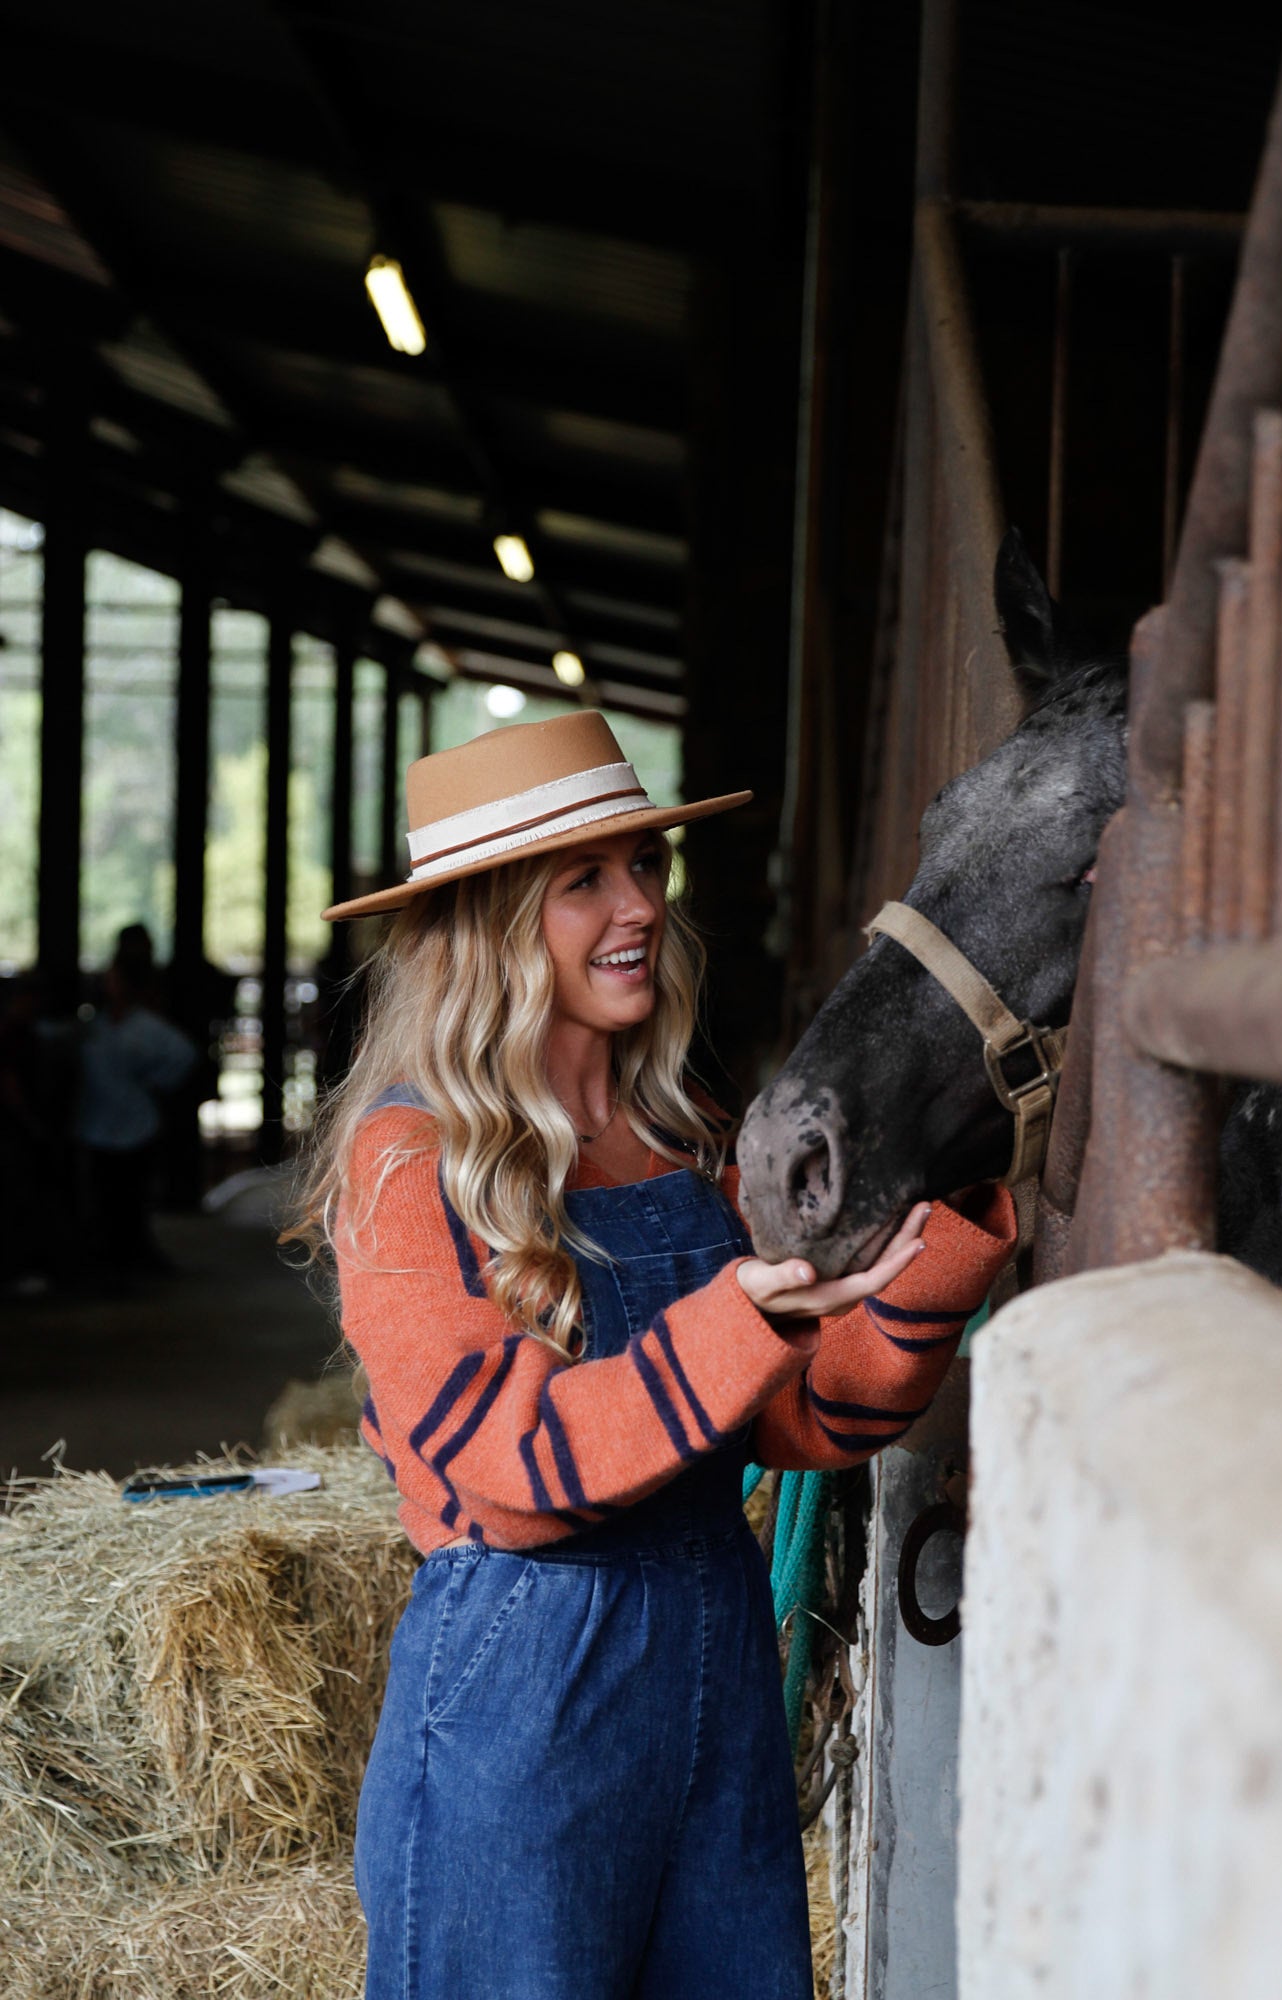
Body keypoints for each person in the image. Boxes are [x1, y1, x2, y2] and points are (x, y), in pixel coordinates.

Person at [295, 711, 1015, 2000]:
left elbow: (802, 1425)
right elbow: (512, 1470)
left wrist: (934, 1250)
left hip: (713, 1637)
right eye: (585, 879)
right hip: (531, 1669)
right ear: (493, 919)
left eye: (645, 863)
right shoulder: (409, 1161)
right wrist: (748, 1313)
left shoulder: (679, 1128)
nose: (639, 904)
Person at [75, 924, 198, 1278]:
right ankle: (110, 1258)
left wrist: (154, 1083)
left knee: (128, 1198)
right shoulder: (98, 1025)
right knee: (104, 1197)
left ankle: (126, 1260)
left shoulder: (145, 1026)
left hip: (133, 1121)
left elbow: (183, 1055)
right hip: (99, 1121)